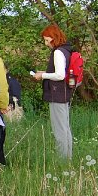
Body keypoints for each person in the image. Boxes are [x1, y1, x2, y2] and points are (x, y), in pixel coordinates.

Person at [33, 24, 73, 159]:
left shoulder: (58, 52)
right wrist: (45, 72)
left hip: (57, 94)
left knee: (59, 130)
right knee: (65, 128)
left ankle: (63, 161)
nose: (46, 43)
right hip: (64, 93)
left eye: (46, 40)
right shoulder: (66, 50)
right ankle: (68, 158)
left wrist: (42, 76)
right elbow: (60, 72)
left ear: (53, 38)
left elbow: (60, 75)